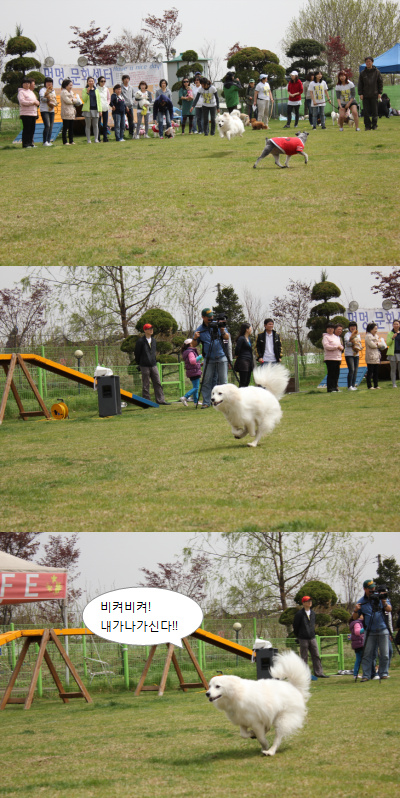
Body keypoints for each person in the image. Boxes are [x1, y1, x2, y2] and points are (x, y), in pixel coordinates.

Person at [351, 579, 392, 681]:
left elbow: (389, 609)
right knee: (367, 653)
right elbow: (355, 617)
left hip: (383, 628)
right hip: (369, 631)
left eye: (373, 588)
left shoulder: (380, 597)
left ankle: (383, 673)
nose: (372, 590)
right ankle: (366, 675)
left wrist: (383, 602)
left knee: (385, 653)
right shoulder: (361, 601)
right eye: (370, 588)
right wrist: (356, 610)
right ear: (365, 589)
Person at [193, 308, 229, 408]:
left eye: (212, 316)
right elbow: (193, 344)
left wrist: (222, 331)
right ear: (203, 317)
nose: (211, 318)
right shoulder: (200, 329)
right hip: (209, 358)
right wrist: (195, 337)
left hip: (221, 356)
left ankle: (224, 402)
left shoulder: (218, 325)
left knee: (223, 381)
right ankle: (206, 402)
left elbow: (227, 337)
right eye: (208, 317)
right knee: (206, 380)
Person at [293, 596, 329, 678]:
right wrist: (299, 636)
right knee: (304, 657)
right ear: (303, 603)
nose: (309, 602)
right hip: (303, 638)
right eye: (307, 601)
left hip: (312, 637)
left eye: (310, 601)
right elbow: (295, 626)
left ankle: (319, 672)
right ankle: (304, 674)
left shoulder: (313, 613)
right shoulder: (299, 614)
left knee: (316, 655)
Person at [134, 324, 169, 404]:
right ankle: (147, 401)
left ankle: (160, 400)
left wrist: (154, 361)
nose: (151, 330)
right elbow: (137, 354)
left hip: (153, 364)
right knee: (146, 384)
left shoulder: (153, 340)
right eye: (149, 329)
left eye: (152, 328)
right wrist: (140, 363)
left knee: (157, 382)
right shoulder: (140, 341)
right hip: (144, 365)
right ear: (145, 330)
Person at [358, 56, 383, 131]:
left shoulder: (377, 72)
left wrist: (380, 92)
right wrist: (360, 94)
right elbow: (360, 84)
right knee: (366, 112)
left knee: (375, 111)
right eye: (366, 62)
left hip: (374, 94)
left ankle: (374, 125)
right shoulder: (362, 73)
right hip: (365, 95)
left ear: (372, 62)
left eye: (369, 61)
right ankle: (367, 126)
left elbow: (380, 83)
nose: (368, 63)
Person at [18, 76, 39, 148]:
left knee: (32, 129)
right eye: (25, 83)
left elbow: (35, 100)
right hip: (26, 113)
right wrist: (32, 102)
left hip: (33, 113)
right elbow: (22, 101)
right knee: (27, 129)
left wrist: (37, 102)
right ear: (22, 84)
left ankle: (31, 143)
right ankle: (25, 144)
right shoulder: (21, 92)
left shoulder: (31, 92)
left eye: (28, 83)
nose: (27, 85)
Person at [180, 339, 203, 405]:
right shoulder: (190, 352)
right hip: (194, 372)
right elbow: (193, 361)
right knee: (196, 387)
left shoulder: (186, 351)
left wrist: (200, 364)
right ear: (190, 344)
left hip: (191, 371)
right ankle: (185, 397)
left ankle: (196, 401)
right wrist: (200, 356)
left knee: (195, 387)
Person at [322, 322, 343, 392]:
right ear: (326, 329)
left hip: (337, 358)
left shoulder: (336, 337)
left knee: (336, 373)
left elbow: (340, 345)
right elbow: (327, 346)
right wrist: (336, 347)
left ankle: (335, 387)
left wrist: (341, 347)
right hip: (330, 358)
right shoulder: (326, 337)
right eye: (329, 328)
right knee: (331, 373)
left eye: (332, 328)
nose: (330, 329)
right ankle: (330, 388)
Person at [81, 76, 102, 143]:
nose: (91, 82)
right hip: (88, 109)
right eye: (89, 81)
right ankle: (88, 139)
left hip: (95, 109)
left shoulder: (96, 90)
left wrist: (100, 110)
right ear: (87, 82)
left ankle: (96, 139)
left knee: (95, 125)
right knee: (88, 125)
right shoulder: (84, 90)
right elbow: (84, 99)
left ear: (94, 82)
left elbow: (99, 101)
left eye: (92, 81)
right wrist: (87, 92)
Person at [39, 76, 57, 146]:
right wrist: (49, 99)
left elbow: (54, 98)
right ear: (45, 83)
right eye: (48, 82)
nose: (49, 84)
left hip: (51, 109)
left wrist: (53, 102)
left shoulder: (53, 90)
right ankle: (44, 141)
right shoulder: (42, 90)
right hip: (44, 110)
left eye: (51, 82)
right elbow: (42, 99)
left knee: (51, 126)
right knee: (47, 125)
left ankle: (48, 141)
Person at [234, 323, 254, 387]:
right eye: (250, 328)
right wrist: (238, 358)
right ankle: (240, 395)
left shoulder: (249, 339)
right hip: (243, 361)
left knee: (247, 381)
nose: (251, 330)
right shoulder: (241, 338)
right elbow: (237, 350)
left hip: (249, 361)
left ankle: (246, 395)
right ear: (247, 329)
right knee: (243, 381)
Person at [344, 321, 362, 390]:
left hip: (356, 354)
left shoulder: (358, 335)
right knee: (351, 369)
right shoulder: (347, 334)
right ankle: (349, 386)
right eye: (351, 326)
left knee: (356, 370)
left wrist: (359, 345)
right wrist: (354, 343)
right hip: (349, 354)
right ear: (349, 327)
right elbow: (347, 344)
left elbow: (359, 342)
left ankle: (353, 385)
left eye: (354, 326)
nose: (353, 328)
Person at [364, 322, 381, 390]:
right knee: (370, 372)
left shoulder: (376, 336)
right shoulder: (368, 336)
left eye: (376, 329)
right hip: (370, 356)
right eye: (375, 329)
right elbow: (373, 345)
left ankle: (376, 385)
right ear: (370, 329)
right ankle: (369, 385)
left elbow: (381, 344)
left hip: (376, 355)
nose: (376, 330)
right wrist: (377, 344)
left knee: (376, 371)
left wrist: (377, 344)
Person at [60, 78, 77, 146]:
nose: (71, 86)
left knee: (71, 127)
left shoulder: (71, 92)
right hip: (66, 111)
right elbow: (68, 101)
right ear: (66, 85)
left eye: (71, 85)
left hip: (72, 111)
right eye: (70, 85)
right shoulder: (63, 92)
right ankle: (65, 141)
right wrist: (72, 100)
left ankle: (71, 140)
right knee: (65, 127)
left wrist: (72, 99)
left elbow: (75, 100)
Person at [349, 613, 365, 678]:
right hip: (360, 643)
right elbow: (357, 632)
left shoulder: (355, 623)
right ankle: (357, 673)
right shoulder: (357, 623)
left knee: (358, 659)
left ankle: (356, 673)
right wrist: (366, 629)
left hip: (357, 644)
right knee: (361, 659)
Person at [385, 319, 400, 387]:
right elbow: (388, 343)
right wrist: (392, 338)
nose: (396, 325)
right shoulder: (390, 333)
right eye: (394, 324)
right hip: (393, 353)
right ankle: (394, 383)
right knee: (393, 369)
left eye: (397, 324)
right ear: (393, 325)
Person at [97, 76, 111, 142]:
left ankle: (105, 138)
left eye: (104, 81)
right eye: (102, 81)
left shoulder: (106, 89)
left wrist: (107, 104)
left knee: (105, 125)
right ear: (99, 82)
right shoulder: (96, 89)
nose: (103, 82)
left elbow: (108, 98)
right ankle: (98, 138)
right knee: (98, 124)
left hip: (105, 108)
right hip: (99, 109)